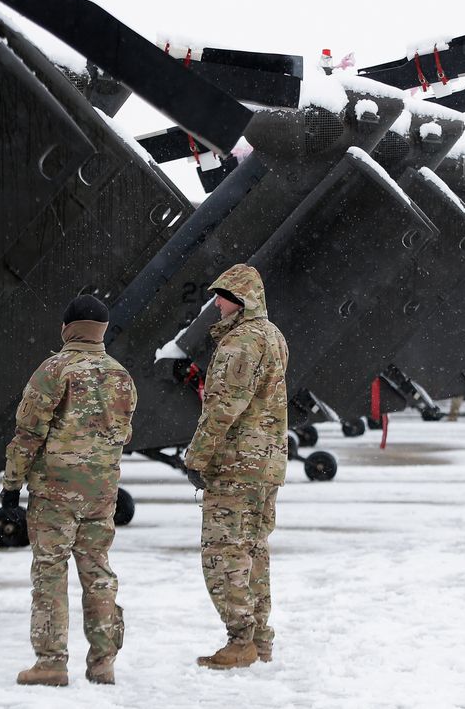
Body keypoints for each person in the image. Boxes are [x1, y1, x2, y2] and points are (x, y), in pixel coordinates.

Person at [0, 294, 137, 688]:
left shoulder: (54, 370)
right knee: (98, 574)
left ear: (67, 328)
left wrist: (11, 485)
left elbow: (27, 435)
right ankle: (103, 663)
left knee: (50, 573)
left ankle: (51, 661)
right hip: (101, 494)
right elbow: (122, 435)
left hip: (54, 495)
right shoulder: (121, 376)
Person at [183, 264, 289, 670]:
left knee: (222, 552)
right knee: (254, 549)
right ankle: (260, 638)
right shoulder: (273, 336)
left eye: (224, 295)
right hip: (266, 464)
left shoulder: (239, 344)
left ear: (242, 299)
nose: (216, 302)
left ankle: (240, 639)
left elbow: (222, 409)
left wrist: (197, 457)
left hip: (236, 466)